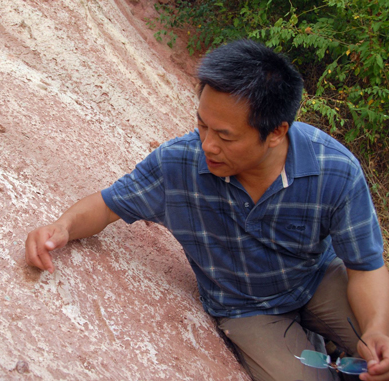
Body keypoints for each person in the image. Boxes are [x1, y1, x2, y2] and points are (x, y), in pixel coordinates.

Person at [25, 39, 389, 381]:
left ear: (276, 132)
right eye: (201, 125)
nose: (208, 145)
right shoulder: (178, 164)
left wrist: (374, 327)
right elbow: (106, 206)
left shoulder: (334, 171)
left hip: (316, 279)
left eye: (226, 136)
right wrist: (63, 227)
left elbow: (365, 267)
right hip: (247, 308)